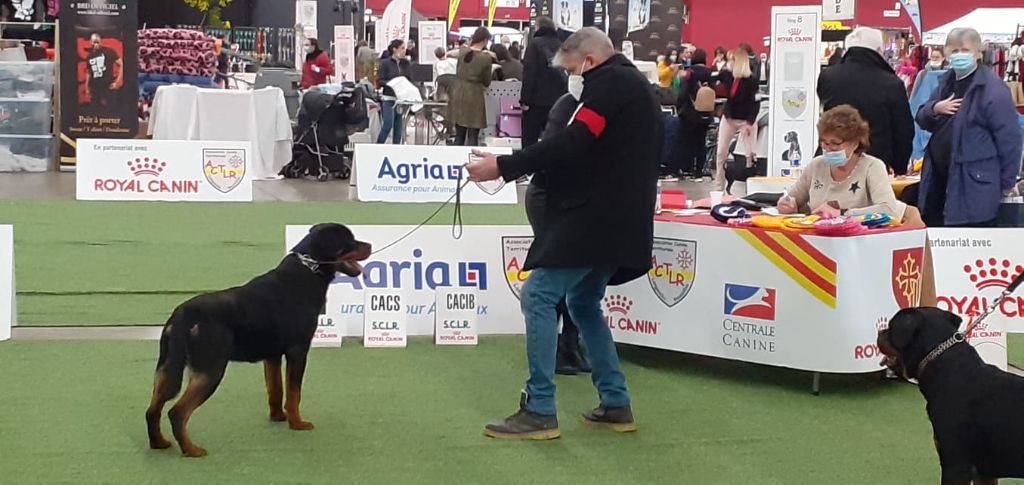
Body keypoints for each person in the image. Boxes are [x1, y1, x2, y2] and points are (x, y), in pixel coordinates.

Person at [466, 27, 658, 440]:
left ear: (589, 60)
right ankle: (615, 401)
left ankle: (539, 408)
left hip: (596, 217)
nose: (572, 78)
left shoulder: (610, 85)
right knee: (583, 301)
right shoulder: (632, 86)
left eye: (572, 69)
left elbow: (573, 141)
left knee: (538, 295)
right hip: (620, 218)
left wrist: (504, 165)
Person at [780, 105, 937, 306]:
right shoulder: (816, 165)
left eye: (835, 144)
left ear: (854, 143)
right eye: (824, 143)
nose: (828, 149)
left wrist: (841, 213)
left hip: (872, 244)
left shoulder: (872, 166)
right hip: (830, 246)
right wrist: (789, 206)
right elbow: (793, 199)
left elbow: (887, 209)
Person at [916, 27, 1023, 227]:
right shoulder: (945, 82)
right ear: (947, 53)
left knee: (968, 238)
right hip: (939, 183)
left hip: (974, 188)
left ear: (978, 53)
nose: (959, 55)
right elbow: (922, 118)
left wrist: (1005, 184)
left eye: (965, 50)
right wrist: (935, 108)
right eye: (954, 51)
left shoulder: (993, 89)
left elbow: (1010, 141)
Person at [528, 86, 590, 375]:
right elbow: (553, 152)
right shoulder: (567, 105)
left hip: (577, 199)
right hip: (548, 195)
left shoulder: (600, 105)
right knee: (556, 273)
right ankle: (552, 347)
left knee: (578, 275)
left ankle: (570, 343)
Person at [817, 27, 914, 176]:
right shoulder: (891, 83)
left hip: (833, 157)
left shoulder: (828, 77)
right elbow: (903, 131)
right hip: (875, 162)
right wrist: (899, 167)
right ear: (878, 50)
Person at [714, 48, 759, 191]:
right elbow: (712, 78)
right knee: (721, 152)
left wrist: (750, 122)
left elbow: (755, 103)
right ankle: (719, 186)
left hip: (746, 120)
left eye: (731, 60)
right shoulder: (728, 76)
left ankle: (750, 184)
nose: (729, 63)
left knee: (749, 154)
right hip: (729, 118)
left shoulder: (751, 80)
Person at [520, 16, 567, 148]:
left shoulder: (534, 44)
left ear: (538, 27)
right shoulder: (561, 45)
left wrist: (524, 100)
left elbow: (529, 73)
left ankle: (530, 162)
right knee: (552, 140)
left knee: (530, 140)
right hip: (557, 101)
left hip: (536, 101)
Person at [448, 27, 493, 146]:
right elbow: (487, 81)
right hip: (474, 96)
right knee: (473, 135)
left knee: (459, 135)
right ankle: (472, 157)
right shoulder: (486, 58)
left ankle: (456, 157)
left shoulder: (462, 52)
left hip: (458, 93)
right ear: (485, 40)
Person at [674, 48, 713, 181]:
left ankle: (686, 168)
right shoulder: (709, 73)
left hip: (689, 113)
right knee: (701, 142)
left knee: (685, 141)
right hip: (705, 113)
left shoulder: (690, 73)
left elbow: (683, 93)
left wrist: (679, 108)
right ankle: (699, 171)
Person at [376, 39, 411, 144]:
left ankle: (396, 148)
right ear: (395, 49)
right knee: (388, 124)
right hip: (389, 98)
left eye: (405, 48)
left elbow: (409, 78)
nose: (404, 50)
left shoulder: (405, 63)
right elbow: (380, 80)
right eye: (402, 48)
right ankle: (379, 146)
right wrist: (393, 84)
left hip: (400, 99)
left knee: (398, 127)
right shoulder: (385, 63)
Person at [85, 33, 123, 107]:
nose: (96, 44)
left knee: (111, 108)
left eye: (97, 42)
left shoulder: (108, 51)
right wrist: (86, 87)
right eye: (94, 42)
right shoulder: (90, 56)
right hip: (95, 87)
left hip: (107, 85)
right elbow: (88, 72)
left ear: (100, 41)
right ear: (91, 42)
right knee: (95, 109)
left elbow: (121, 64)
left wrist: (117, 82)